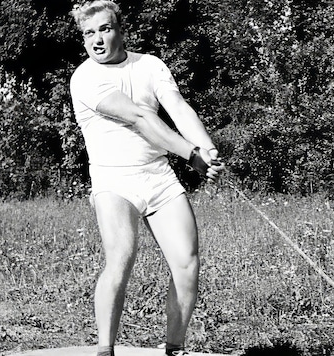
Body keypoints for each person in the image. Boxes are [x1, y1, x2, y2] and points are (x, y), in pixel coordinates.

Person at [68, 1, 225, 356]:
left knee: (187, 263)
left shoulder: (150, 66)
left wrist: (207, 150)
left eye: (104, 29)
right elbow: (139, 117)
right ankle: (105, 350)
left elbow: (179, 108)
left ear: (121, 30)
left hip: (158, 178)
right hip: (114, 182)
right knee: (121, 257)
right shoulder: (86, 78)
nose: (96, 39)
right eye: (88, 33)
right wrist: (191, 154)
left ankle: (174, 347)